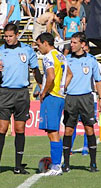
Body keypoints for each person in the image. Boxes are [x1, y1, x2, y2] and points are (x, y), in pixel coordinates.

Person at [0, 23, 42, 175]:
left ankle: (18, 166)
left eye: (10, 36)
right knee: (2, 129)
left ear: (17, 35)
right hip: (5, 93)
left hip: (22, 94)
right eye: (5, 36)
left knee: (19, 129)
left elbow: (36, 71)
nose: (8, 39)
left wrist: (42, 88)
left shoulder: (27, 50)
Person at [62, 32, 101, 173]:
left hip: (86, 98)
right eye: (71, 42)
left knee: (89, 129)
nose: (71, 45)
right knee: (68, 130)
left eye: (74, 42)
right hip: (70, 99)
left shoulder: (91, 60)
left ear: (82, 44)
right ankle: (66, 163)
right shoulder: (66, 60)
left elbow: (98, 80)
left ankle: (93, 163)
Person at [36, 32, 73, 176]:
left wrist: (43, 92)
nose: (38, 48)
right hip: (60, 96)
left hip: (52, 96)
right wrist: (63, 88)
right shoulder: (61, 55)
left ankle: (56, 166)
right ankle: (57, 164)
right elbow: (70, 74)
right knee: (54, 131)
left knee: (52, 131)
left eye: (39, 45)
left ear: (46, 43)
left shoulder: (48, 57)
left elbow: (50, 76)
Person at [70, 41, 101, 156]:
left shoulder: (93, 61)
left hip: (90, 98)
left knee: (88, 124)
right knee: (71, 124)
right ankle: (70, 148)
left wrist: (99, 86)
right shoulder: (72, 60)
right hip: (75, 96)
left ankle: (85, 148)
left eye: (87, 50)